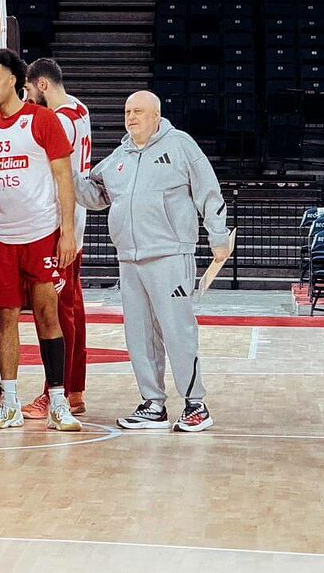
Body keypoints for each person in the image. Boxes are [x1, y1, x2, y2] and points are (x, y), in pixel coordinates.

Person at [74, 90, 229, 433]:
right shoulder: (120, 156)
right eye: (128, 111)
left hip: (171, 255)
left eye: (139, 111)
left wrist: (218, 237)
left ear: (157, 116)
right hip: (129, 259)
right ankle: (153, 404)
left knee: (177, 330)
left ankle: (195, 404)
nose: (131, 117)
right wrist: (66, 177)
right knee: (139, 334)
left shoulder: (180, 145)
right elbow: (96, 195)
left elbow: (209, 190)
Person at [0, 48, 82, 433]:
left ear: (15, 79)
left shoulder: (42, 120)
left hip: (41, 233)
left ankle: (58, 401)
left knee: (47, 314)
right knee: (4, 319)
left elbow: (64, 179)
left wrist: (67, 230)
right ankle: (11, 402)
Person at [24, 58, 92, 418]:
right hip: (75, 219)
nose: (29, 97)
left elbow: (56, 174)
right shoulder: (80, 109)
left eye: (30, 90)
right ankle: (74, 390)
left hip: (59, 222)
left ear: (43, 85)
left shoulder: (57, 120)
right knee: (72, 309)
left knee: (56, 311)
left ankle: (59, 392)